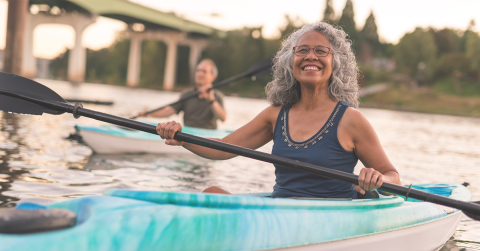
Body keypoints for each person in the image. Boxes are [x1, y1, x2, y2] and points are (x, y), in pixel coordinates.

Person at [156, 22, 401, 199]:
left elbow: (393, 176)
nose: (310, 56)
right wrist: (181, 136)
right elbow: (221, 148)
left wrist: (378, 179)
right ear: (290, 61)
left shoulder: (351, 120)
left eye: (321, 50)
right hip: (280, 213)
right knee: (210, 194)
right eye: (302, 50)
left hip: (329, 217)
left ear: (335, 62)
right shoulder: (275, 115)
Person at [137, 59, 226, 129]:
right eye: (198, 70)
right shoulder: (187, 93)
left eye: (204, 71)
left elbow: (223, 118)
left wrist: (211, 100)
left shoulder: (217, 96)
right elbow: (169, 110)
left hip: (208, 135)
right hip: (188, 132)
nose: (200, 74)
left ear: (213, 77)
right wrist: (149, 113)